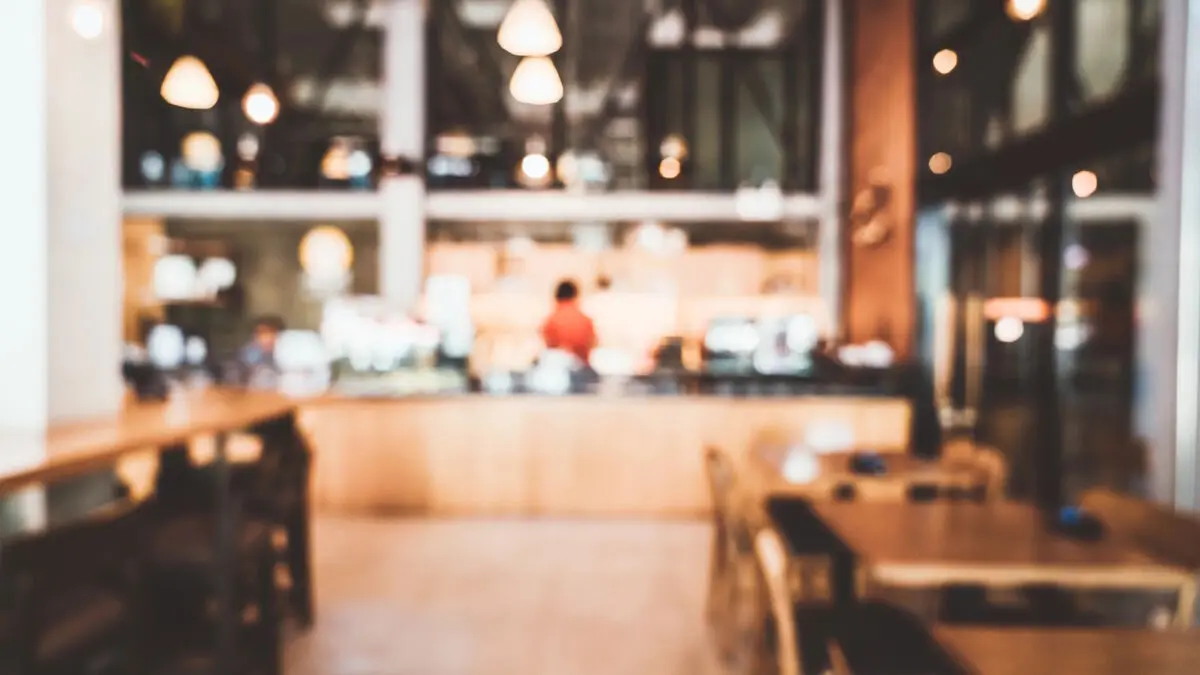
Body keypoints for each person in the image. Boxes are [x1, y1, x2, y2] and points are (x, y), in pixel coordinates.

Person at [540, 280, 596, 363]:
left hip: (559, 365)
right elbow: (591, 342)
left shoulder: (551, 320)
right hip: (581, 366)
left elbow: (549, 344)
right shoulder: (585, 320)